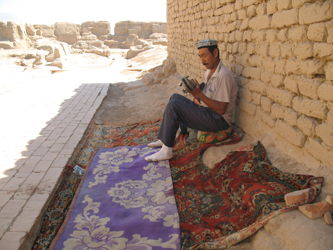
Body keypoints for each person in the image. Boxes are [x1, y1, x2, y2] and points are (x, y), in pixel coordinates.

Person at [145, 39, 238, 162]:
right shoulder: (208, 73)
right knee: (175, 97)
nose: (202, 60)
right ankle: (164, 139)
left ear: (215, 53)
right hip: (208, 112)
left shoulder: (224, 76)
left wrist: (199, 94)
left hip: (219, 121)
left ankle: (167, 150)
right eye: (200, 56)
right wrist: (196, 93)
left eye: (204, 55)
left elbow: (221, 109)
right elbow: (207, 99)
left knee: (174, 106)